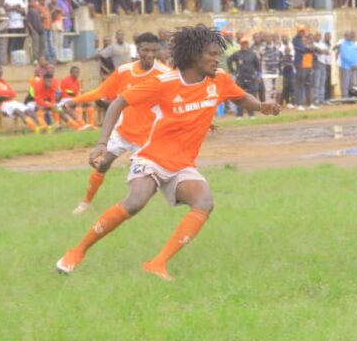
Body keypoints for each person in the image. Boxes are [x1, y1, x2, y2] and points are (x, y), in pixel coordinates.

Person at [56, 25, 281, 281]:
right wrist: (102, 142)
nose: (216, 60)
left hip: (183, 165)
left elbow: (240, 98)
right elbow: (118, 102)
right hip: (152, 157)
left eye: (218, 54)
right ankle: (77, 250)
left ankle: (156, 264)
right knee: (135, 202)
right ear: (194, 55)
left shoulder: (219, 80)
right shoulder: (164, 82)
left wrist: (261, 106)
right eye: (211, 54)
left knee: (205, 202)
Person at [68, 33, 171, 215]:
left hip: (148, 138)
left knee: (143, 178)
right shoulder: (124, 71)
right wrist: (75, 100)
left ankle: (135, 208)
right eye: (145, 50)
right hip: (123, 131)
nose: (150, 54)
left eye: (154, 50)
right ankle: (85, 203)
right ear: (137, 50)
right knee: (102, 163)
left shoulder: (165, 74)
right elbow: (102, 91)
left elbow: (178, 99)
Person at [0, 66, 40, 132]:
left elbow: (13, 94)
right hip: (3, 104)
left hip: (12, 101)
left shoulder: (4, 82)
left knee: (28, 110)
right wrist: (5, 96)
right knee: (18, 111)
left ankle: (42, 126)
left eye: (1, 73)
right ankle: (34, 128)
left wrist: (4, 95)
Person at [227, 37, 261, 118]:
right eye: (243, 43)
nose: (244, 45)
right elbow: (229, 60)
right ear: (241, 44)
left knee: (252, 96)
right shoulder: (237, 54)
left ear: (248, 44)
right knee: (239, 96)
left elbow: (258, 66)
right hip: (240, 78)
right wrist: (233, 71)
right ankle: (239, 114)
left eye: (246, 43)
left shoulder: (252, 54)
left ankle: (251, 114)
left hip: (251, 78)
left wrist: (258, 75)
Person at [338, 31, 357, 98]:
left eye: (350, 35)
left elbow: (356, 54)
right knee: (345, 83)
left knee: (352, 83)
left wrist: (356, 63)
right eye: (348, 35)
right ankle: (345, 97)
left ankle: (351, 96)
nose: (350, 36)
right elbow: (344, 56)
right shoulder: (343, 45)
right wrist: (351, 64)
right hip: (346, 66)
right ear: (345, 36)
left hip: (354, 67)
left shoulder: (353, 44)